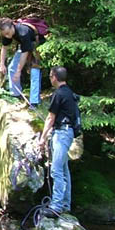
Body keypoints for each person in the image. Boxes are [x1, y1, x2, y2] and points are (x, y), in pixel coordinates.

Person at [36, 66, 79, 218]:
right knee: (64, 170)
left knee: (56, 170)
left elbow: (50, 118)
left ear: (55, 77)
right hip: (67, 133)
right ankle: (65, 204)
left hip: (61, 134)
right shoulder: (69, 92)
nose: (49, 78)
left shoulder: (59, 94)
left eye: (50, 76)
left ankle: (56, 206)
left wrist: (42, 139)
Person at [0, 17, 45, 107]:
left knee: (34, 71)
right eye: (5, 34)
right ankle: (16, 94)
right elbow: (4, 47)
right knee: (12, 68)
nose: (7, 36)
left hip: (36, 44)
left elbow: (25, 53)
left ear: (12, 26)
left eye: (8, 33)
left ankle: (34, 101)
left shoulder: (23, 32)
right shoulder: (6, 33)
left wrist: (18, 71)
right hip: (24, 46)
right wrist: (2, 64)